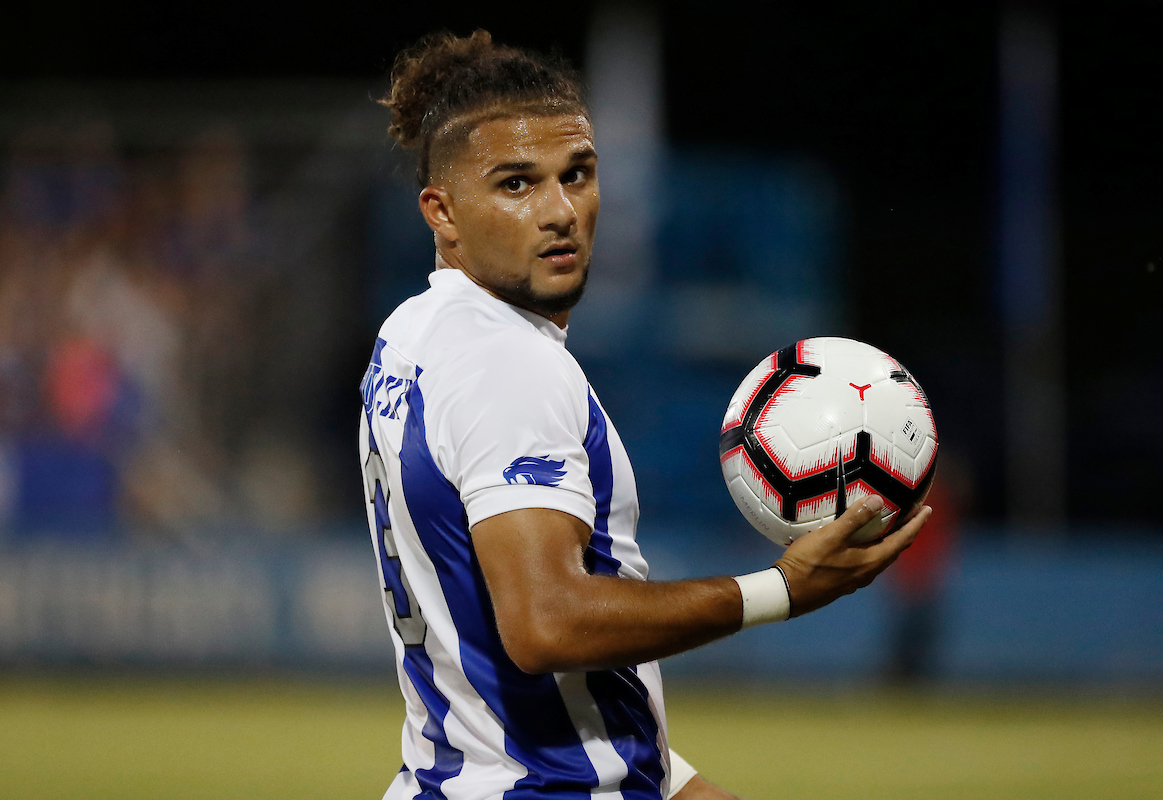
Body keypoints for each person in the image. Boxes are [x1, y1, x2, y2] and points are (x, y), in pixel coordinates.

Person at [358, 30, 931, 800]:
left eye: (579, 174)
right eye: (517, 184)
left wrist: (676, 784)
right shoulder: (509, 364)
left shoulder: (410, 336)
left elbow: (533, 672)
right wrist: (781, 590)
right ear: (442, 211)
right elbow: (547, 625)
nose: (560, 211)